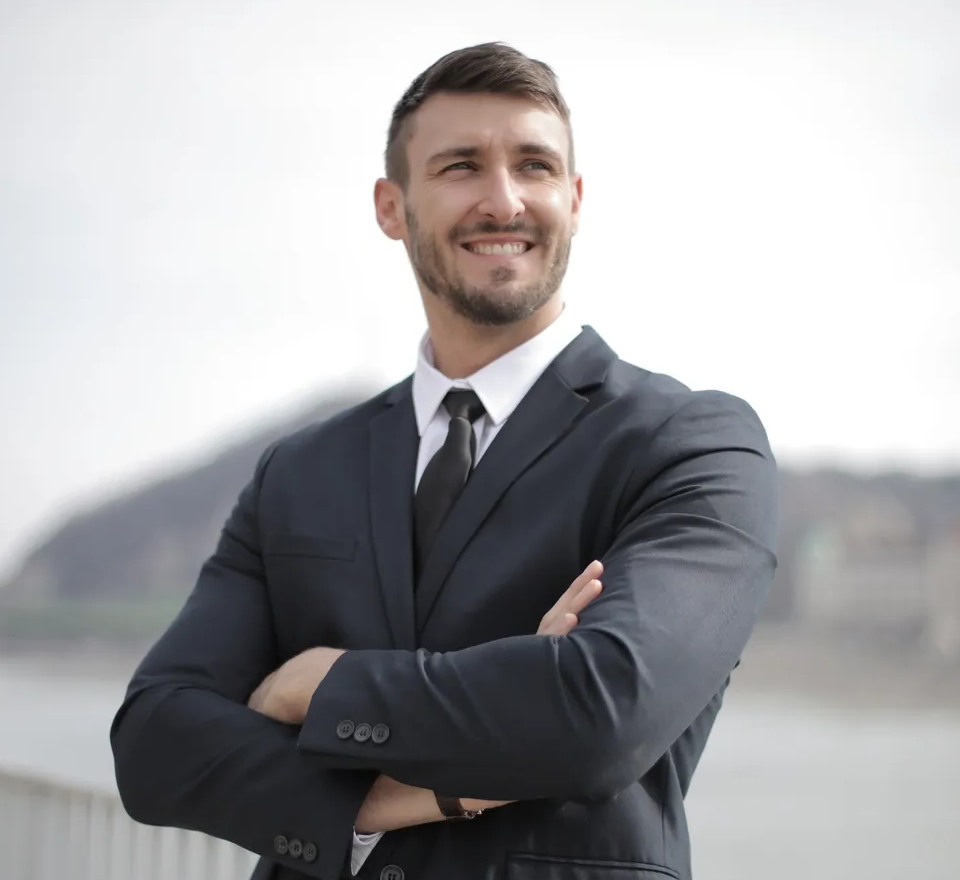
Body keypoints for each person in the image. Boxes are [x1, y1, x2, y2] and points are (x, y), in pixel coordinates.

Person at [110, 42, 778, 880]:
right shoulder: (300, 470)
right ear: (392, 207)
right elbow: (155, 743)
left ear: (573, 200)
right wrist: (418, 792)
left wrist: (328, 686)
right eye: (461, 166)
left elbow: (603, 711)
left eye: (534, 166)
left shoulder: (691, 443)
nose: (503, 201)